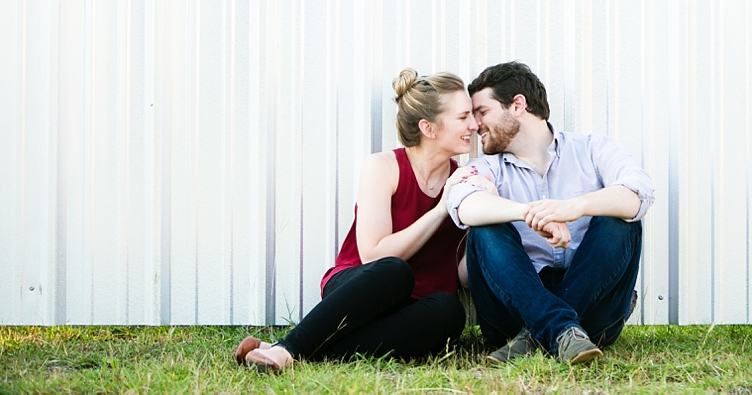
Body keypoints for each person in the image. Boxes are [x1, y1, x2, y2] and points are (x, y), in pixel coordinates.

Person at [235, 69, 490, 372]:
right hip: (363, 288)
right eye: (463, 118)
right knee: (396, 271)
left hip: (415, 306)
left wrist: (486, 217)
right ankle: (290, 348)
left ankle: (286, 350)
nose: (474, 125)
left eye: (473, 116)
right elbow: (373, 255)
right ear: (428, 128)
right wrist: (439, 210)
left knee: (450, 311)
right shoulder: (383, 167)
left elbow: (462, 273)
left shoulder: (462, 181)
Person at [446, 61, 654, 365]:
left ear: (517, 105)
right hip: (510, 314)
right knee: (485, 228)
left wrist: (574, 207)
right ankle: (560, 329)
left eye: (482, 112)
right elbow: (463, 204)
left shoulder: (593, 149)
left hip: (594, 313)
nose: (475, 125)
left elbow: (639, 193)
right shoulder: (487, 168)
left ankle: (538, 335)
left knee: (620, 219)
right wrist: (529, 213)